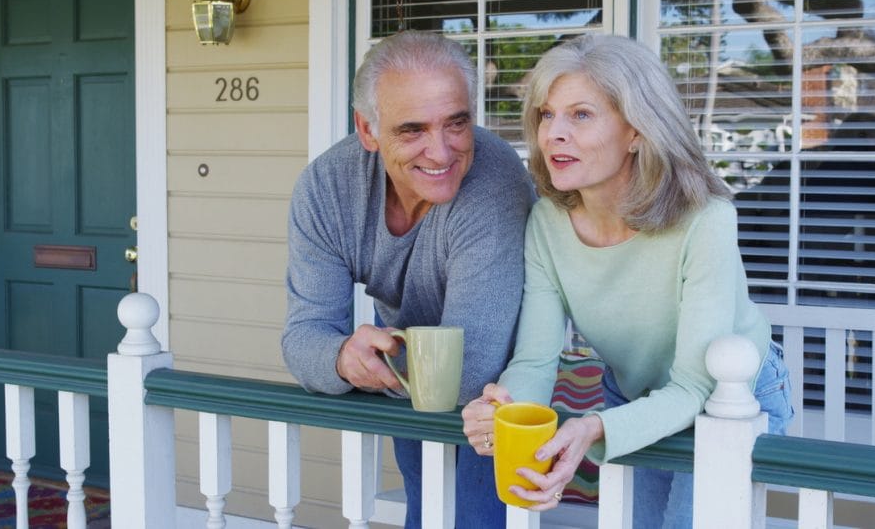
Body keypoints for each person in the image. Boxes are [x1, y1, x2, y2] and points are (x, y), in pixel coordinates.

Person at [461, 34, 794, 528]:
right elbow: (535, 359)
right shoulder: (548, 221)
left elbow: (693, 385)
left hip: (730, 403)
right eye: (546, 115)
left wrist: (592, 427)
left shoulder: (706, 220)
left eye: (581, 115)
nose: (553, 133)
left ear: (636, 130)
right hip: (633, 398)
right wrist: (505, 414)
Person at [282, 30, 535, 528]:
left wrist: (364, 365)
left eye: (456, 123)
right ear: (368, 129)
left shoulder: (495, 181)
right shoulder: (327, 188)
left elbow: (469, 369)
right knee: (424, 507)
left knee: (476, 518)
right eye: (412, 129)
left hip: (503, 374)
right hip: (406, 340)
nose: (440, 153)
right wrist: (340, 357)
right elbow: (302, 336)